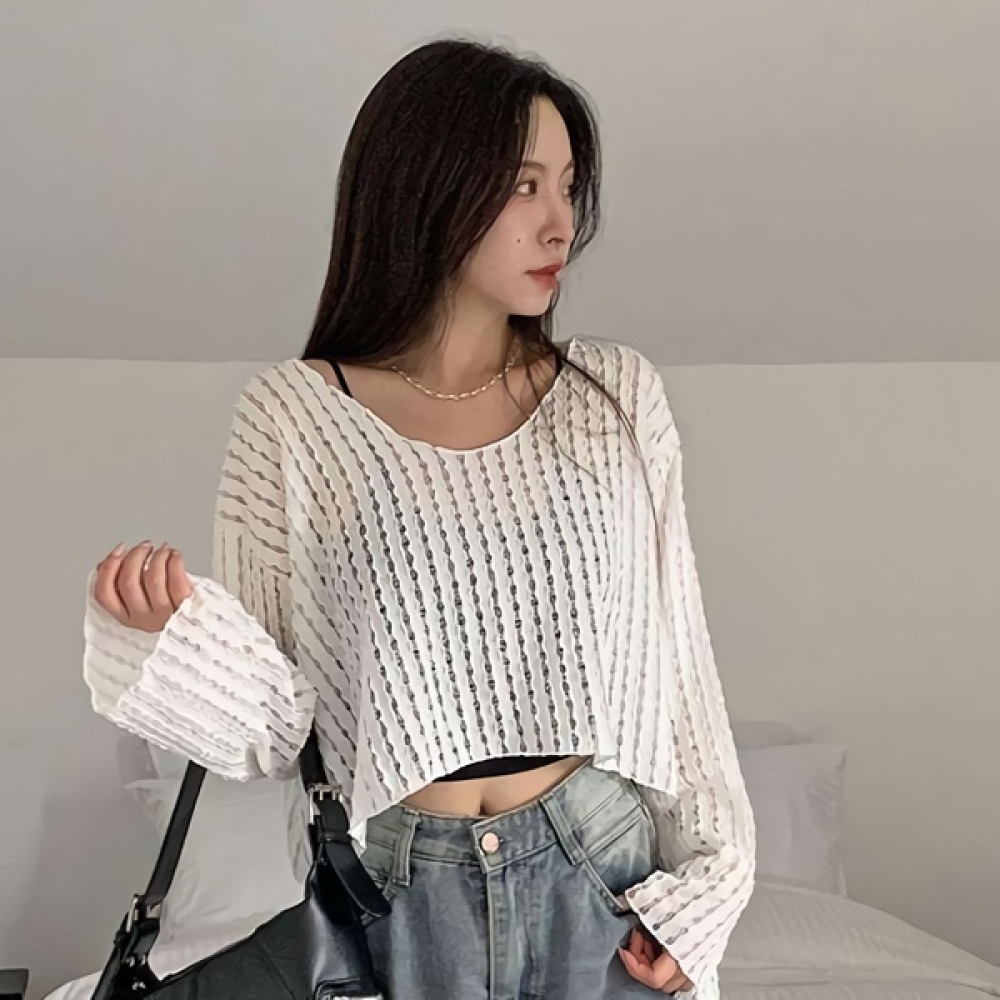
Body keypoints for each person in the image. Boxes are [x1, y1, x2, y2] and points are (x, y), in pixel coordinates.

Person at [82, 38, 754, 999]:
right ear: (425, 187)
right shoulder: (293, 418)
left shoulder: (614, 396)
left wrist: (712, 888)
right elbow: (279, 730)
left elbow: (678, 663)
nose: (561, 222)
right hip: (396, 891)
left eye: (569, 186)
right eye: (523, 186)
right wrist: (168, 646)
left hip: (605, 876)